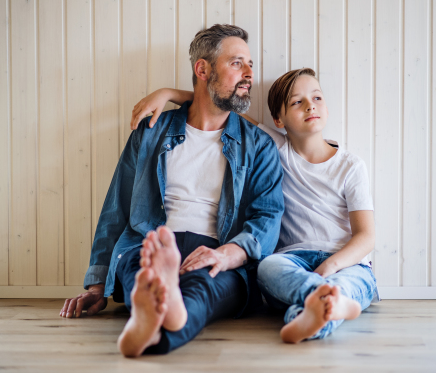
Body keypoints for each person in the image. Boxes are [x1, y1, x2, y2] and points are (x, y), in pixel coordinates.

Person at [59, 24, 284, 357]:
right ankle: (162, 311)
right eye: (238, 63)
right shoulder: (151, 131)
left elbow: (267, 217)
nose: (250, 73)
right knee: (144, 276)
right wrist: (97, 284)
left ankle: (151, 322)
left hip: (218, 249)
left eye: (250, 64)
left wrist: (224, 255)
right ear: (203, 69)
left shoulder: (259, 146)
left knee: (202, 290)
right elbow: (117, 208)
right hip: (152, 241)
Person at [131, 68, 379, 344]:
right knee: (266, 268)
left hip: (347, 264)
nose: (310, 105)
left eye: (317, 98)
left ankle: (318, 309)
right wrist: (169, 94)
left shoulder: (350, 166)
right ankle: (330, 306)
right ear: (278, 119)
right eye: (297, 102)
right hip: (292, 261)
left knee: (340, 286)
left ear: (326, 107)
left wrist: (329, 267)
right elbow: (220, 107)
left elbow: (366, 236)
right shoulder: (272, 147)